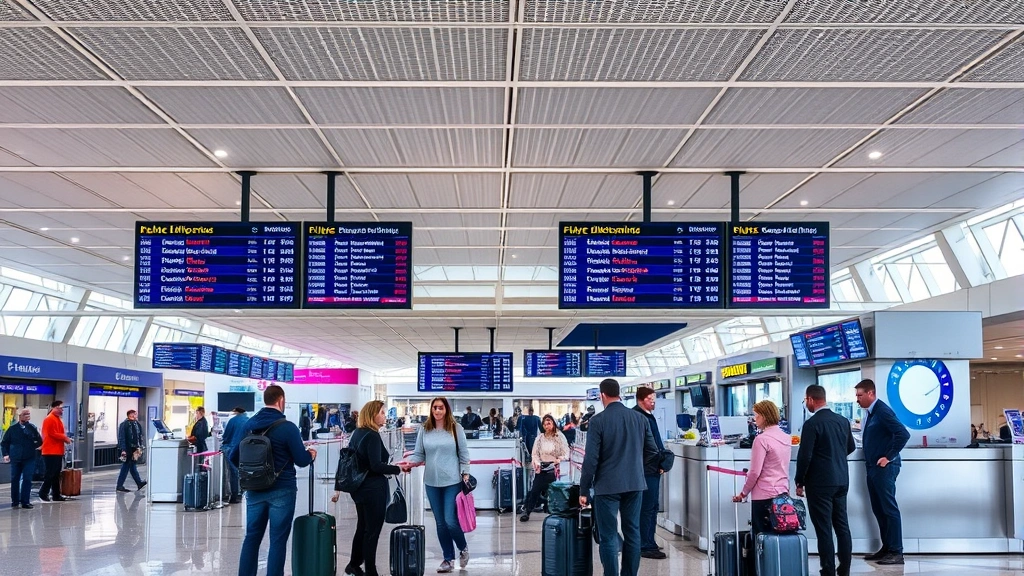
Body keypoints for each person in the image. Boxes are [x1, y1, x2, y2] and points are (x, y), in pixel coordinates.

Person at [228, 385, 316, 576]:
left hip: (254, 491)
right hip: (282, 489)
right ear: (281, 401)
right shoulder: (288, 428)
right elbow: (301, 461)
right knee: (277, 540)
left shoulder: (248, 425)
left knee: (251, 537)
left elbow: (233, 456)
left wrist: (249, 476)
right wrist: (311, 454)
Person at [579, 379, 659, 576]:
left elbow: (591, 460)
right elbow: (653, 451)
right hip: (635, 484)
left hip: (607, 486)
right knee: (633, 532)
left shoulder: (598, 421)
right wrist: (636, 467)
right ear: (619, 394)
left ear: (602, 395)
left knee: (607, 536)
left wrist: (583, 489)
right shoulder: (640, 419)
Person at [331, 400, 404, 576]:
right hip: (373, 489)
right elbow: (376, 466)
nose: (384, 416)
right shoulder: (372, 435)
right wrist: (398, 468)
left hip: (359, 488)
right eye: (382, 413)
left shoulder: (358, 433)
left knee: (362, 527)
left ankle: (354, 564)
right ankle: (370, 570)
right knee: (372, 531)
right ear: (373, 415)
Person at [403, 397, 472, 573]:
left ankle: (462, 548)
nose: (437, 411)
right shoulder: (425, 429)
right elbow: (419, 454)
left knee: (450, 520)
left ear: (446, 409)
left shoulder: (456, 429)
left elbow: (464, 454)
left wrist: (465, 474)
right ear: (431, 410)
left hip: (452, 481)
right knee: (440, 523)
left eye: (441, 408)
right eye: (435, 408)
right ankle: (448, 558)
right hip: (431, 481)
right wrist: (409, 463)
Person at [796, 385, 856, 576]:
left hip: (820, 483)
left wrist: (800, 481)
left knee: (824, 529)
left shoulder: (812, 424)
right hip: (841, 480)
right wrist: (834, 458)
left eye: (806, 401)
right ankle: (845, 569)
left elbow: (805, 456)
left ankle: (828, 570)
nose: (806, 404)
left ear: (811, 399)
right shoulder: (842, 421)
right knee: (842, 526)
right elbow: (851, 447)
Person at [855, 379, 910, 566]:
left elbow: (903, 434)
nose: (857, 400)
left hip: (884, 468)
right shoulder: (872, 413)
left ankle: (896, 551)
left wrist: (889, 456)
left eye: (860, 395)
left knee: (889, 509)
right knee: (879, 509)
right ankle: (887, 547)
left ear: (871, 393)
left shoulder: (883, 411)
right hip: (873, 467)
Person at [732, 400, 792, 542]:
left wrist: (743, 493)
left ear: (764, 416)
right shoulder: (786, 438)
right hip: (782, 494)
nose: (754, 419)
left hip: (763, 496)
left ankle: (760, 565)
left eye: (756, 415)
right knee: (779, 539)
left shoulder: (761, 440)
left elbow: (754, 472)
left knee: (762, 540)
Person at [633, 387, 667, 559]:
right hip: (646, 469)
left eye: (654, 399)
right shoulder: (638, 417)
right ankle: (644, 545)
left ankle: (649, 541)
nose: (653, 401)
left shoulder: (647, 415)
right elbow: (642, 446)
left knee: (653, 506)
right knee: (647, 507)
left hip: (652, 467)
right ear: (640, 399)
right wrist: (656, 461)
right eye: (650, 399)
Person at [520, 414, 569, 522]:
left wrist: (559, 459)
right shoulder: (540, 438)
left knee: (555, 493)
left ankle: (557, 514)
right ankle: (527, 511)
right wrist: (536, 463)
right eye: (545, 424)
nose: (547, 426)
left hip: (554, 469)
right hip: (541, 469)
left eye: (549, 423)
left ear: (553, 424)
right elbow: (534, 454)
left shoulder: (559, 437)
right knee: (534, 491)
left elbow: (566, 453)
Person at [1, 407, 43, 509]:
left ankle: (25, 501)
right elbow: (4, 443)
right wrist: (6, 454)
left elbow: (39, 441)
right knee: (15, 478)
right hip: (16, 457)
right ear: (20, 416)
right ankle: (15, 500)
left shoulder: (32, 428)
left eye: (28, 414)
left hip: (29, 457)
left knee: (27, 479)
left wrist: (33, 446)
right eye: (25, 414)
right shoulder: (12, 429)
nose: (27, 416)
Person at [39, 400, 72, 503]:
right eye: (61, 408)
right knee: (51, 473)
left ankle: (56, 494)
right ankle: (43, 493)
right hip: (50, 451)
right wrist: (65, 438)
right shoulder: (49, 419)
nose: (62, 410)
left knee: (56, 474)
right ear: (55, 408)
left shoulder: (57, 419)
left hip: (56, 450)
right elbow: (52, 433)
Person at [221, 407, 249, 504]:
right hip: (245, 450)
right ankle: (241, 493)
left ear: (236, 412)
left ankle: (234, 495)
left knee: (233, 473)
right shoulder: (249, 421)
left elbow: (226, 436)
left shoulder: (233, 421)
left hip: (232, 448)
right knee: (241, 471)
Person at [115, 410, 147, 493]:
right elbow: (122, 437)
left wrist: (139, 447)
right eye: (135, 414)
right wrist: (123, 449)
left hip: (135, 449)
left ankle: (139, 483)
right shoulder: (124, 425)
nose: (136, 415)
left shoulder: (137, 424)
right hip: (128, 449)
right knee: (126, 466)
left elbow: (139, 436)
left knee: (132, 466)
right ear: (130, 415)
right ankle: (119, 485)